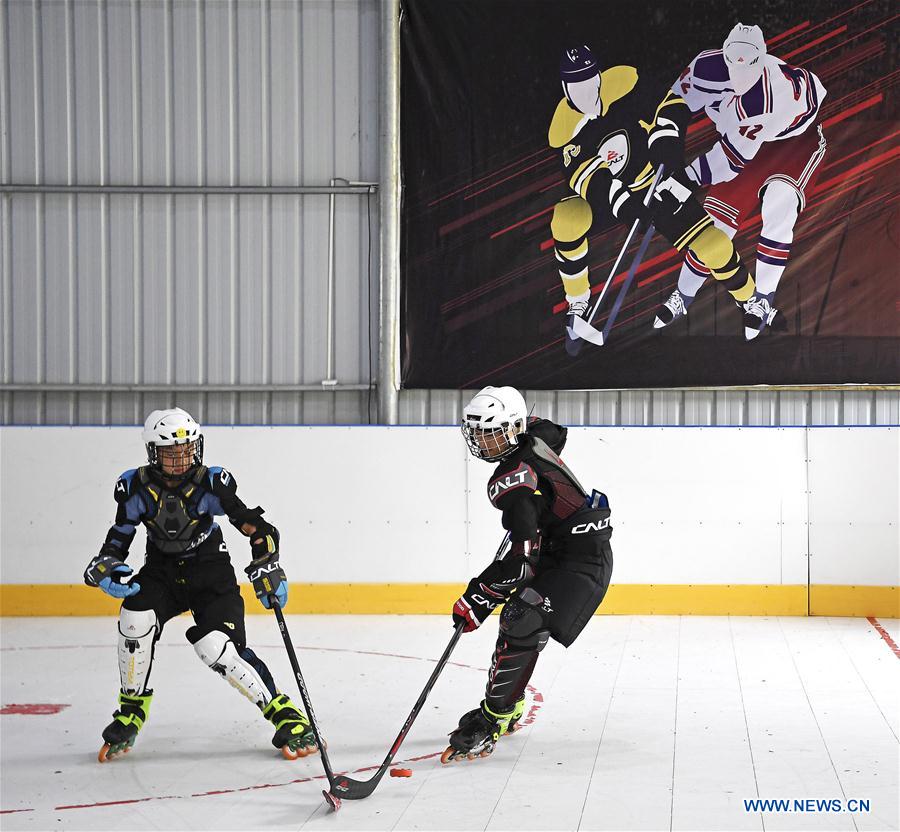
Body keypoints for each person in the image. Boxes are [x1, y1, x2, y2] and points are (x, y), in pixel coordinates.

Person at [83, 407, 316, 762]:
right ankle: (131, 709)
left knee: (217, 647)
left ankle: (285, 715)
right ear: (152, 453)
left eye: (187, 450)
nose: (180, 459)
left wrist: (267, 565)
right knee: (134, 617)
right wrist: (109, 567)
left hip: (210, 571)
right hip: (162, 571)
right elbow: (118, 537)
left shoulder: (211, 483)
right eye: (170, 453)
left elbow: (257, 528)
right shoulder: (135, 487)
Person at [549, 45, 770, 351]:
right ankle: (578, 300)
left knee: (714, 246)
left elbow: (671, 107)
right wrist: (627, 208)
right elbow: (591, 180)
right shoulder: (565, 131)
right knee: (567, 218)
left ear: (598, 77)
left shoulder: (626, 84)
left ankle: (751, 300)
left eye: (589, 81)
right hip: (611, 199)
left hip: (657, 180)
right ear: (565, 89)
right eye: (576, 86)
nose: (585, 92)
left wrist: (668, 158)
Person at [443, 386, 613, 762]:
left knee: (522, 618)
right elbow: (556, 432)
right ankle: (509, 702)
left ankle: (496, 717)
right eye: (478, 432)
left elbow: (520, 565)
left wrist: (477, 596)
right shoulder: (532, 433)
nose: (482, 442)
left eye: (491, 432)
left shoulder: (512, 484)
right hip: (561, 550)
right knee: (521, 620)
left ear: (512, 429)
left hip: (581, 563)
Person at [653, 23, 827, 336]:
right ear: (725, 56)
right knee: (715, 227)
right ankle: (684, 294)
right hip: (740, 144)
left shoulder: (767, 98)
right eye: (735, 61)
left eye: (751, 63)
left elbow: (731, 160)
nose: (742, 72)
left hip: (791, 141)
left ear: (763, 59)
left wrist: (684, 179)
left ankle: (762, 299)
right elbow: (673, 105)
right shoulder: (705, 66)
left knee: (779, 205)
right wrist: (661, 150)